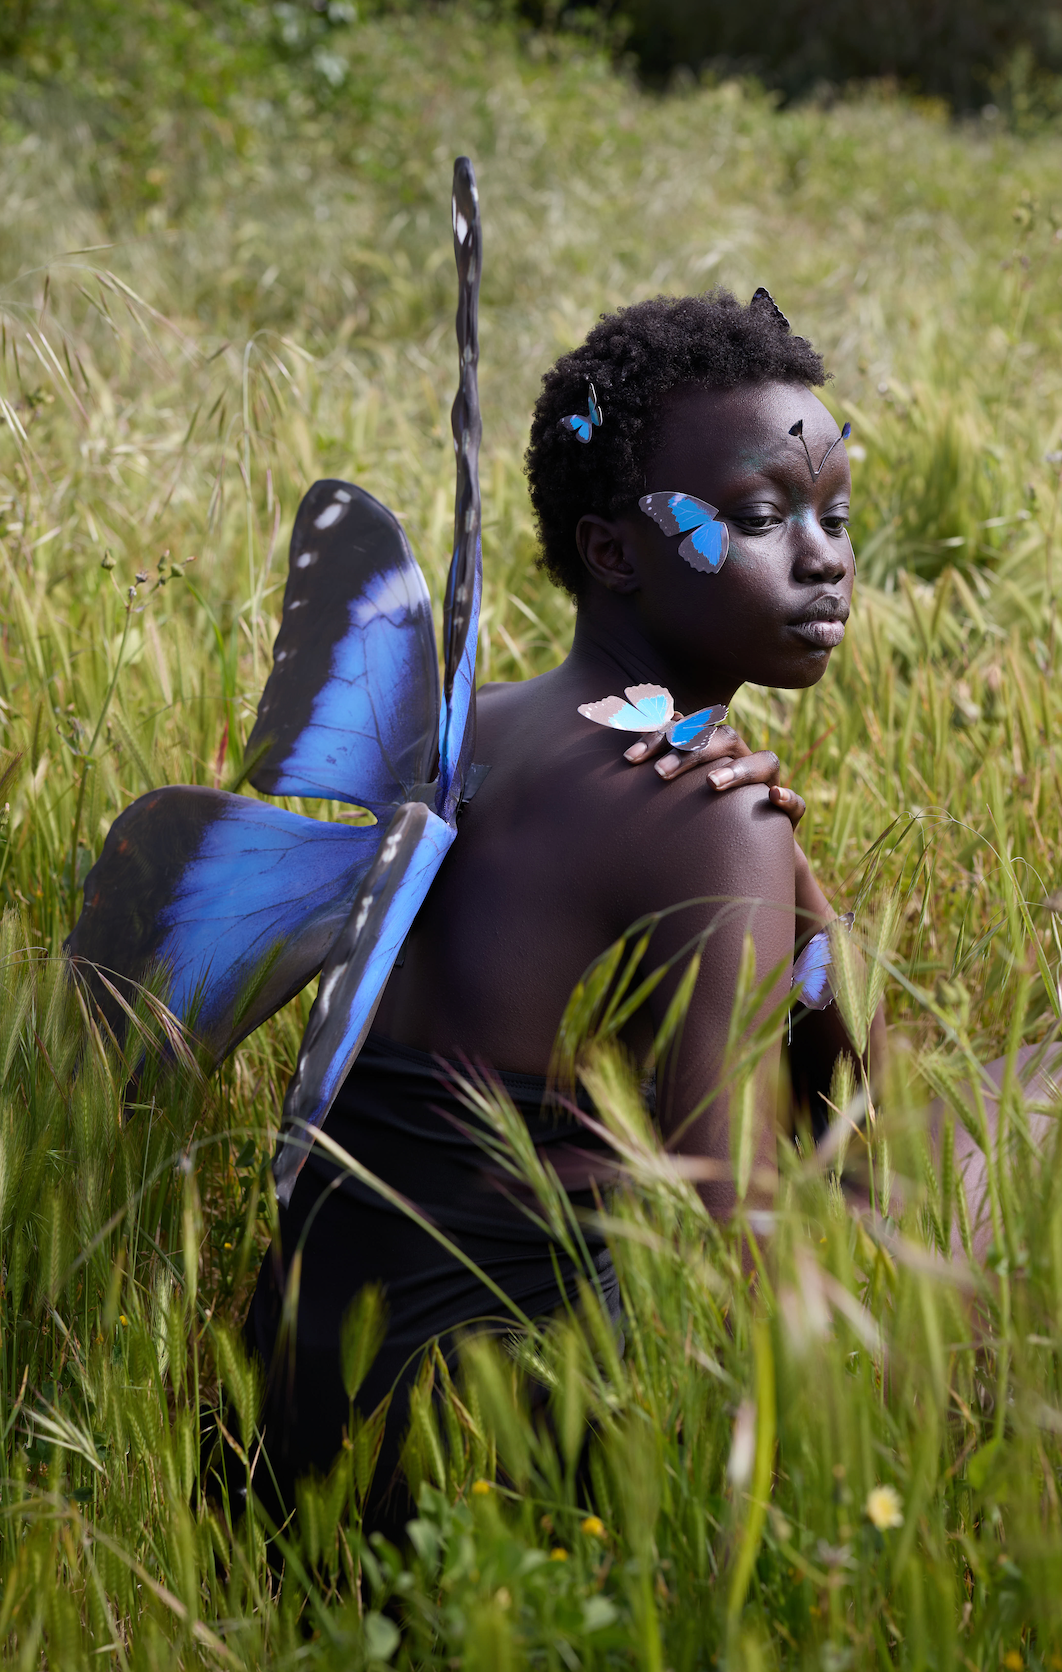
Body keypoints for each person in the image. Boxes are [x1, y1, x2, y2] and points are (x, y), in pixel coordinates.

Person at [245, 288, 875, 1533]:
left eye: (837, 512)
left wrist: (797, 886)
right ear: (612, 550)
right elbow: (744, 1210)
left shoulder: (463, 733)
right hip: (490, 1467)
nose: (825, 553)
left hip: (280, 1414)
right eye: (761, 515)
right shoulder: (704, 812)